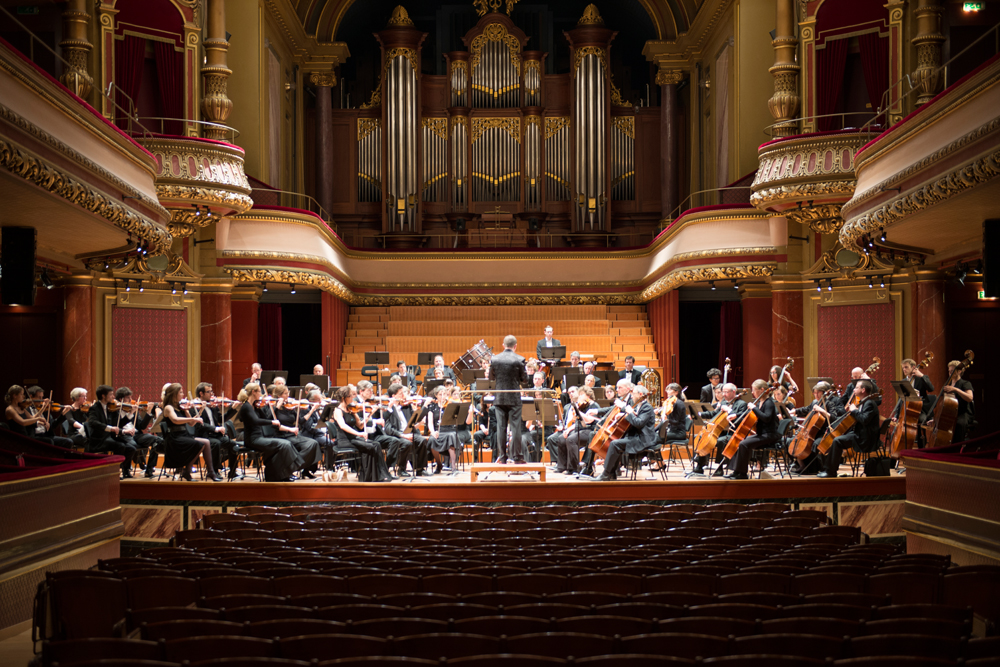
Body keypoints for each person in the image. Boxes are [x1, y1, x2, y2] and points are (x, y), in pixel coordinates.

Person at [238, 382, 303, 482]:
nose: (261, 394)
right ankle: (283, 473)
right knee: (284, 444)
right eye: (259, 392)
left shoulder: (255, 406)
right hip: (252, 439)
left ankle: (280, 475)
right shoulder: (246, 406)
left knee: (286, 444)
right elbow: (256, 421)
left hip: (260, 437)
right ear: (253, 392)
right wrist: (272, 422)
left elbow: (267, 419)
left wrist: (274, 407)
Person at [818, 379, 880, 478]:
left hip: (865, 438)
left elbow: (864, 420)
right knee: (836, 438)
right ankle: (827, 469)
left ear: (863, 390)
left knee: (837, 441)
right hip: (860, 433)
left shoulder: (869, 403)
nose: (854, 389)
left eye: (856, 387)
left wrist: (854, 411)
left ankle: (831, 472)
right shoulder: (864, 402)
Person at [161, 383, 221, 481]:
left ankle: (211, 472)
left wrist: (200, 411)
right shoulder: (168, 407)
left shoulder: (182, 407)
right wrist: (192, 419)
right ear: (174, 394)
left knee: (206, 442)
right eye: (181, 392)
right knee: (199, 444)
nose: (183, 394)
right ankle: (187, 471)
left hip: (184, 435)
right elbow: (175, 420)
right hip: (174, 438)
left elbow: (191, 424)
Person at [332, 385, 392, 482]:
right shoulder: (338, 411)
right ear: (344, 398)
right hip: (344, 440)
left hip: (354, 438)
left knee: (376, 444)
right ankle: (368, 477)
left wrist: (370, 413)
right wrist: (358, 434)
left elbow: (360, 425)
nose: (353, 398)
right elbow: (343, 426)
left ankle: (380, 475)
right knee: (370, 446)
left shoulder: (351, 409)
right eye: (351, 396)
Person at [598, 384, 656, 481]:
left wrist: (629, 412)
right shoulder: (639, 406)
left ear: (640, 394)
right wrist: (624, 415)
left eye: (633, 394)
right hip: (635, 436)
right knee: (614, 440)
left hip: (642, 439)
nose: (631, 396)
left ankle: (606, 474)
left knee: (614, 444)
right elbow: (635, 418)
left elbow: (639, 423)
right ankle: (612, 473)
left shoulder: (647, 407)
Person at [727, 379, 781, 480]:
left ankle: (742, 474)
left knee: (744, 444)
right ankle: (736, 471)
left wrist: (754, 408)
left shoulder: (769, 403)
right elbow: (750, 414)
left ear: (762, 390)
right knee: (740, 442)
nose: (752, 392)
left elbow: (766, 418)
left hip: (769, 435)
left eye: (754, 390)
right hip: (762, 434)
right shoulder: (760, 402)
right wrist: (736, 415)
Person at [691, 383, 748, 476]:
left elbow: (741, 419)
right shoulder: (724, 402)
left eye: (726, 392)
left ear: (733, 392)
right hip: (719, 431)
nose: (724, 394)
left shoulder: (742, 404)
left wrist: (729, 410)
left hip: (732, 433)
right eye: (723, 392)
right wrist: (699, 414)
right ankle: (700, 465)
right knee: (700, 437)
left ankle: (719, 468)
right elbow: (714, 414)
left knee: (721, 441)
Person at [490, 334, 529, 464]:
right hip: (514, 399)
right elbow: (524, 380)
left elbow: (491, 377)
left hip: (499, 398)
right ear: (515, 346)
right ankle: (517, 457)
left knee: (501, 428)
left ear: (503, 345)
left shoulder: (495, 359)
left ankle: (502, 457)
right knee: (515, 427)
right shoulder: (520, 359)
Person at [270, 384, 322, 478]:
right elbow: (272, 423)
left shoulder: (289, 407)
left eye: (288, 393)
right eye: (285, 393)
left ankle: (292, 467)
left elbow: (301, 421)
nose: (288, 395)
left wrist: (312, 410)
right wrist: (277, 407)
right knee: (309, 444)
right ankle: (288, 469)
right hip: (281, 436)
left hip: (293, 435)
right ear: (279, 395)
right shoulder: (273, 408)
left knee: (313, 443)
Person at [86, 384, 138, 478]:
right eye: (110, 394)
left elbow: (118, 425)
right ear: (103, 396)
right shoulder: (95, 408)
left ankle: (125, 470)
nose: (113, 397)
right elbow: (93, 422)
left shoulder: (111, 408)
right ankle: (115, 472)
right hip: (99, 440)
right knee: (120, 446)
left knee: (131, 448)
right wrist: (110, 428)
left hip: (110, 438)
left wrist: (130, 413)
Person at [551, 386, 600, 474]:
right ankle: (562, 466)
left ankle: (573, 468)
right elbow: (577, 422)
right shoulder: (583, 405)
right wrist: (568, 430)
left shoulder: (594, 405)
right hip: (580, 429)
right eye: (579, 394)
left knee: (571, 440)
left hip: (590, 430)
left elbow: (590, 420)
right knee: (561, 438)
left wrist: (578, 412)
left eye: (581, 394)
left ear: (588, 395)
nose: (579, 396)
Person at [382, 383, 429, 476]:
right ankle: (401, 469)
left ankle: (420, 468)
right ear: (393, 396)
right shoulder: (387, 409)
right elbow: (388, 429)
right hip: (397, 435)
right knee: (407, 443)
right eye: (401, 394)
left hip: (408, 432)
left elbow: (414, 421)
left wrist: (418, 409)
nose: (404, 396)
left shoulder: (406, 406)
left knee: (422, 440)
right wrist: (403, 435)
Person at [941, 359, 974, 443]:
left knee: (958, 424)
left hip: (962, 412)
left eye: (952, 371)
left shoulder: (965, 383)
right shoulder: (948, 384)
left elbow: (970, 398)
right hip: (950, 412)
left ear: (959, 371)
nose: (950, 373)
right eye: (949, 371)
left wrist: (955, 389)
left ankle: (958, 446)